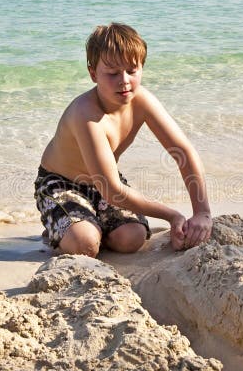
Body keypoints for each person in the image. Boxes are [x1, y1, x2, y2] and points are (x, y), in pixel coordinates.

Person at [34, 23, 212, 257]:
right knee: (85, 245)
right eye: (113, 73)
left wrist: (202, 213)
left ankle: (87, 223)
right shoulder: (85, 114)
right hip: (61, 184)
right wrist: (173, 215)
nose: (124, 80)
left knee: (132, 239)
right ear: (93, 73)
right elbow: (111, 190)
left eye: (132, 70)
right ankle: (73, 230)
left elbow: (183, 152)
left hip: (106, 183)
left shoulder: (142, 101)